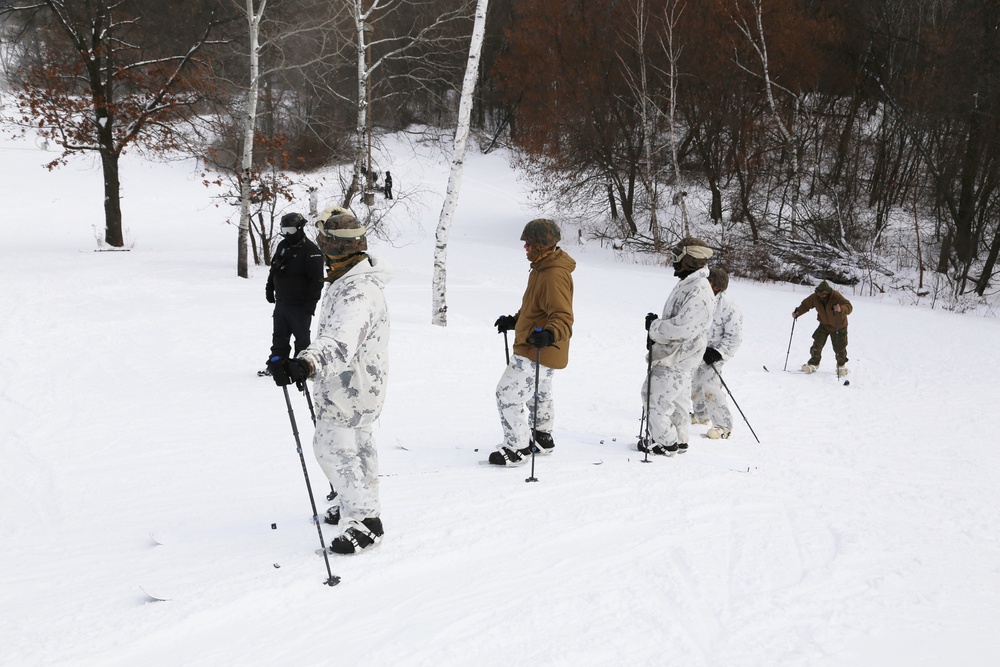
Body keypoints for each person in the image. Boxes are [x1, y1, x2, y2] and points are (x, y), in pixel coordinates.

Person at [267, 206, 390, 554]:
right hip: (360, 384)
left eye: (325, 247)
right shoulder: (350, 280)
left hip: (349, 387)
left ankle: (365, 520)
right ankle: (360, 505)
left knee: (332, 449)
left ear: (334, 249)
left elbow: (338, 342)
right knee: (358, 447)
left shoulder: (356, 291)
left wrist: (304, 365)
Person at [490, 219, 575, 466]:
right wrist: (515, 321)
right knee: (539, 393)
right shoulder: (542, 268)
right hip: (542, 347)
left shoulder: (553, 274)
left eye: (529, 243)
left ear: (542, 244)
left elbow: (563, 316)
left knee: (507, 394)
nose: (525, 248)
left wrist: (549, 334)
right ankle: (541, 437)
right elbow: (534, 308)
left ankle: (517, 448)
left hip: (538, 347)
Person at [640, 238, 715, 456]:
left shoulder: (699, 290)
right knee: (678, 399)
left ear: (691, 259)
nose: (673, 262)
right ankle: (680, 439)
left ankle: (665, 442)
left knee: (654, 397)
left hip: (678, 354)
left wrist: (654, 327)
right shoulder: (690, 283)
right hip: (680, 353)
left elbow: (682, 328)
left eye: (677, 257)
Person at [262, 213, 324, 375]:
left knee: (302, 340)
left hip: (300, 305)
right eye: (284, 229)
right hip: (282, 303)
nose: (287, 234)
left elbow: (317, 281)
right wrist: (269, 288)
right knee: (279, 337)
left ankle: (301, 368)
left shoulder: (311, 251)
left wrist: (311, 304)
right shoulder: (283, 245)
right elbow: (274, 269)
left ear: (299, 228)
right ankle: (276, 365)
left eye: (290, 230)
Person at [691, 267, 744, 439]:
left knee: (710, 385)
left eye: (717, 288)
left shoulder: (729, 307)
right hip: (695, 348)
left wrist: (718, 353)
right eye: (711, 285)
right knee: (693, 383)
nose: (713, 289)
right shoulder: (696, 296)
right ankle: (701, 416)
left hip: (714, 353)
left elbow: (734, 337)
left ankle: (723, 426)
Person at [793, 280, 853, 376]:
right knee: (817, 344)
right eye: (820, 295)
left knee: (839, 347)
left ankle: (841, 366)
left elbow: (849, 306)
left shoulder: (836, 296)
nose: (821, 296)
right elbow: (805, 305)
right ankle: (814, 363)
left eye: (824, 295)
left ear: (828, 293)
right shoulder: (815, 297)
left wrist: (841, 308)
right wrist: (798, 313)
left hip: (839, 325)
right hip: (824, 324)